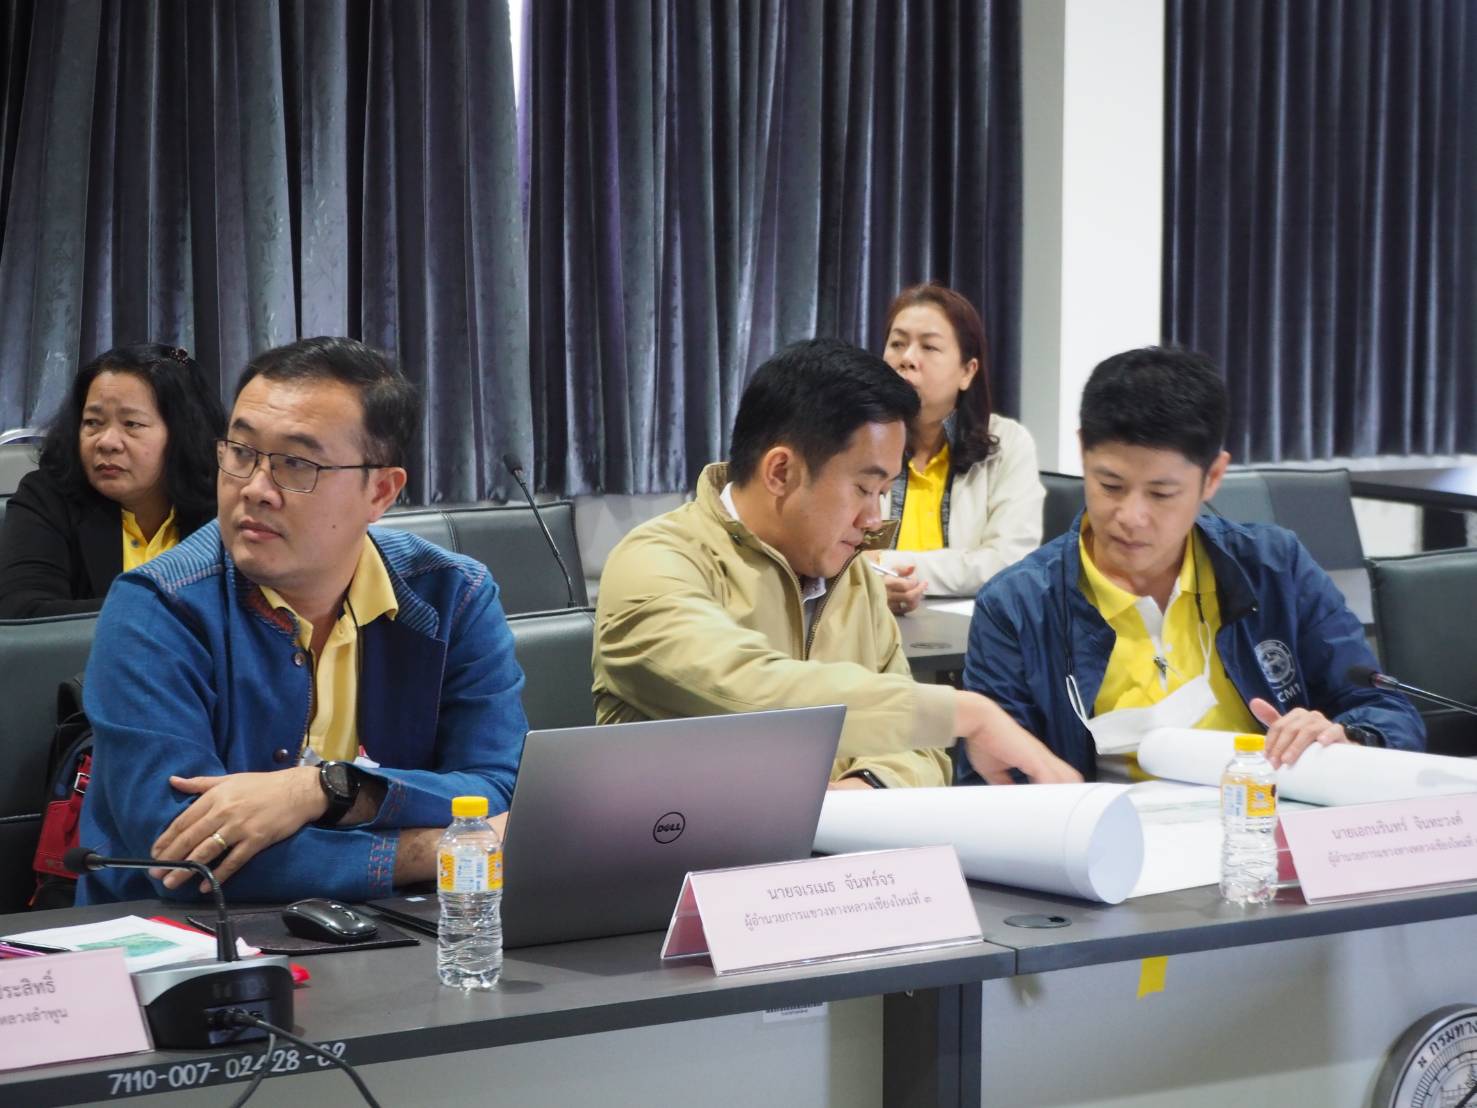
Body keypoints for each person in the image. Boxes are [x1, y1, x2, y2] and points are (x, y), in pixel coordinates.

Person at [76, 337, 528, 904]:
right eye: (241, 452)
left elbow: (499, 785)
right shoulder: (157, 605)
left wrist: (324, 790)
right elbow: (183, 853)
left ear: (381, 491)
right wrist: (437, 850)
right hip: (183, 937)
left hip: (395, 930)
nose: (255, 489)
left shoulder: (454, 595)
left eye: (296, 464)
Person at [594, 337, 1081, 790]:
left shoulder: (853, 577)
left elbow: (920, 751)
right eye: (864, 489)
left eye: (885, 491)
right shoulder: (655, 563)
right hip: (687, 852)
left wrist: (867, 785)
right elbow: (752, 690)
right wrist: (964, 713)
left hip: (836, 850)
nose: (874, 519)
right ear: (781, 471)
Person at [963, 346, 1424, 781]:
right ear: (1083, 453)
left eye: (1162, 493)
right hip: (1102, 830)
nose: (1131, 517)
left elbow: (1386, 709)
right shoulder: (1019, 606)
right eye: (1110, 486)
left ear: (1213, 477)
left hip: (1262, 820)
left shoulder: (1273, 569)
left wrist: (1351, 736)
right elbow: (991, 779)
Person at [0, 344, 224, 618]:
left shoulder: (223, 504)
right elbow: (23, 612)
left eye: (131, 424)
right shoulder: (46, 497)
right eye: (93, 422)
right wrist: (173, 612)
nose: (106, 442)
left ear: (182, 432)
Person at [869, 283, 1044, 616]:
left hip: (968, 632)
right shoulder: (856, 439)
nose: (907, 359)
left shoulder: (1008, 443)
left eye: (929, 347)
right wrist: (869, 581)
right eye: (897, 344)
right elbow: (828, 552)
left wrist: (879, 564)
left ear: (967, 371)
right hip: (868, 621)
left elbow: (1009, 562)